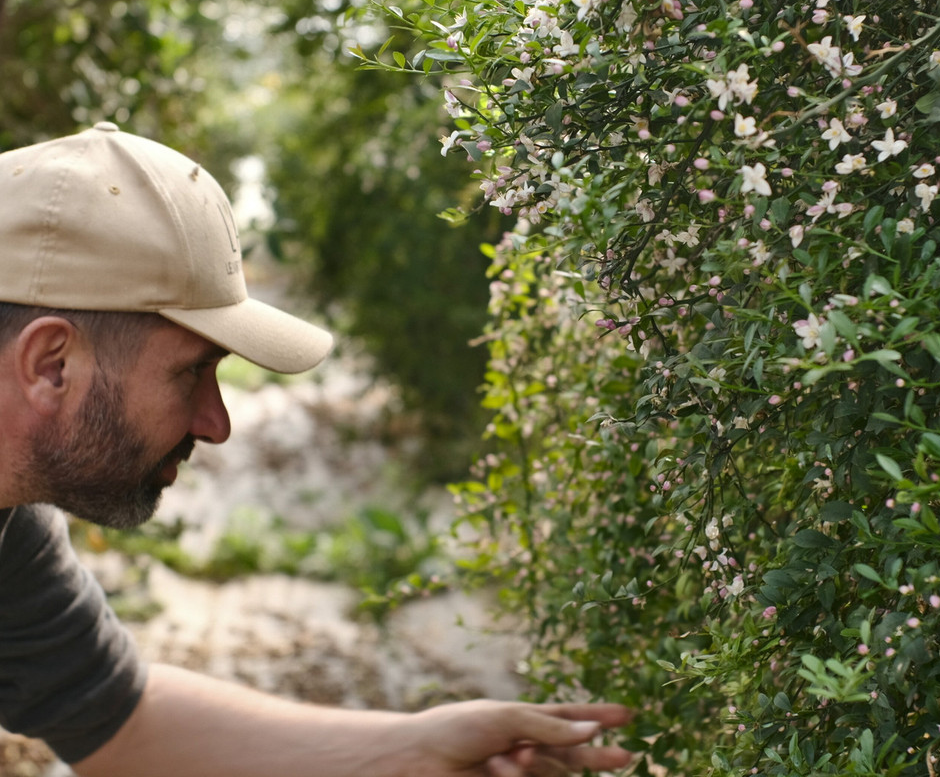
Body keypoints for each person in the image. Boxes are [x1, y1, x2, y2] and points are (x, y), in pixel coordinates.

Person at [0, 123, 632, 777]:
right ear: (50, 365)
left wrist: (416, 746)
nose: (216, 424)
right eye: (191, 371)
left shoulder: (14, 531)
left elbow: (119, 718)